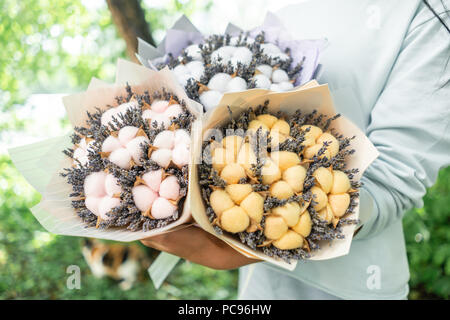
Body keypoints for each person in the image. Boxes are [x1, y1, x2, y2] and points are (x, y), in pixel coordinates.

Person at [141, 0, 450, 299]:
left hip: (348, 288)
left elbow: (394, 181)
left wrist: (273, 234)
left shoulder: (429, 14)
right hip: (259, 285)